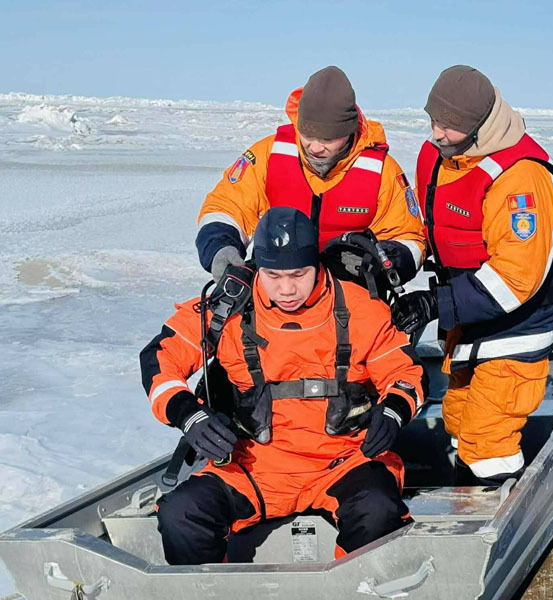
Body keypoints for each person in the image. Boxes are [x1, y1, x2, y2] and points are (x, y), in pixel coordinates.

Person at [140, 207, 425, 565]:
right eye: (273, 275)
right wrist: (188, 415)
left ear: (316, 265)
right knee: (181, 515)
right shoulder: (228, 308)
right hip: (255, 464)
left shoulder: (361, 310)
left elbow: (405, 371)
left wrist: (395, 409)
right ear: (258, 267)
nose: (287, 289)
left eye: (299, 274)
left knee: (378, 512)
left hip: (343, 461)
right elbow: (160, 358)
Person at [391, 66, 553, 485]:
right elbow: (431, 227)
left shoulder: (523, 177)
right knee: (457, 417)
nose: (437, 133)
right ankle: (466, 496)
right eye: (433, 120)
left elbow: (514, 280)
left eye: (450, 127)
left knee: (487, 439)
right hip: (467, 319)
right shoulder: (437, 156)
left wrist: (435, 303)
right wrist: (397, 257)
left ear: (479, 124)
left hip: (517, 324)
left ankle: (498, 516)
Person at [196, 65, 424, 287]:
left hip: (351, 300)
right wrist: (219, 246)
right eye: (306, 134)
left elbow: (408, 238)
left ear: (349, 131)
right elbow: (227, 205)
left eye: (327, 139)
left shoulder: (382, 172)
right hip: (276, 293)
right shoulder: (268, 156)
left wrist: (380, 263)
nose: (315, 148)